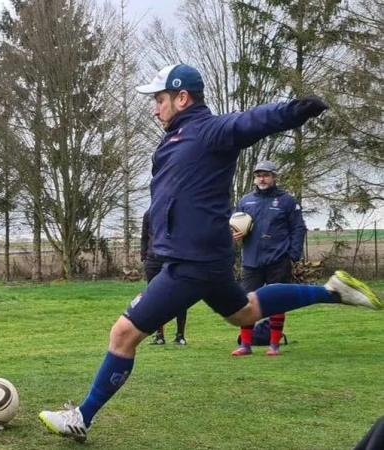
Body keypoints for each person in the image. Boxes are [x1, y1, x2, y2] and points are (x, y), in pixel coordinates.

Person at [37, 63, 382, 442]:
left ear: (182, 97)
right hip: (202, 257)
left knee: (122, 334)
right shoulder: (174, 140)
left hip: (192, 263)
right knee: (246, 313)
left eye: (159, 99)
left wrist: (296, 110)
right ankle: (333, 292)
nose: (155, 108)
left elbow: (251, 121)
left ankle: (81, 417)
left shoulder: (209, 131)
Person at [231, 160, 307, 357]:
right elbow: (234, 226)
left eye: (265, 175)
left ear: (274, 177)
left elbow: (298, 228)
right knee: (246, 303)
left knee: (277, 302)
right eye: (258, 175)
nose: (261, 179)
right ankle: (245, 345)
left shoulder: (287, 201)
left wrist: (293, 255)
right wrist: (234, 234)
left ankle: (274, 345)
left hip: (278, 260)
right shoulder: (245, 201)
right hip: (251, 261)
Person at [141, 207, 187, 345]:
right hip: (153, 261)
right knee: (155, 298)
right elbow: (144, 236)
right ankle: (159, 335)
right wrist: (144, 256)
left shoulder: (179, 212)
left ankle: (180, 336)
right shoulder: (149, 213)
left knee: (180, 297)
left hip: (174, 260)